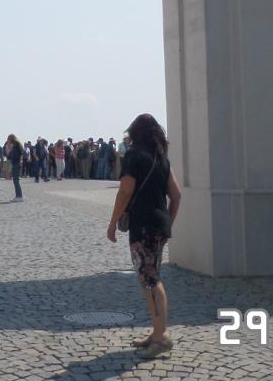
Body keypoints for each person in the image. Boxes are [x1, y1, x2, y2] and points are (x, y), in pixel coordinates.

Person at [107, 113, 182, 360]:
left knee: (150, 278)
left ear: (133, 133)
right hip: (159, 225)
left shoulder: (134, 156)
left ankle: (162, 337)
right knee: (149, 277)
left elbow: (125, 190)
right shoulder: (162, 159)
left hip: (142, 226)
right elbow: (176, 195)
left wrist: (113, 222)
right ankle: (157, 331)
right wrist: (167, 223)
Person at [4, 134, 24, 201]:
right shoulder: (14, 145)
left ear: (11, 139)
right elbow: (9, 156)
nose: (7, 140)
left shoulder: (16, 145)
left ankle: (19, 196)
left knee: (16, 181)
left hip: (16, 163)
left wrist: (21, 160)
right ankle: (18, 196)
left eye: (8, 139)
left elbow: (19, 154)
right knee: (15, 181)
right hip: (15, 163)